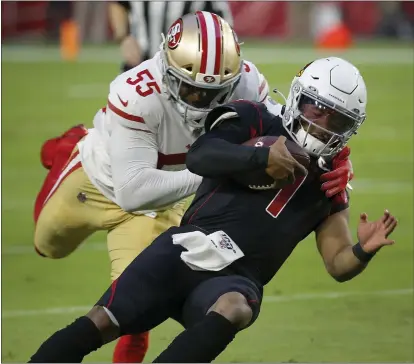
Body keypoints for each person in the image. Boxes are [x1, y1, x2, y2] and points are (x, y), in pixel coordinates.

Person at [29, 57, 397, 363]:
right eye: (319, 110)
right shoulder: (257, 118)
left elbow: (337, 263)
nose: (323, 125)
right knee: (101, 322)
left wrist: (364, 250)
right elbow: (200, 155)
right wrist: (259, 156)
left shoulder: (332, 182)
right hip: (185, 247)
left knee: (236, 308)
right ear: (300, 98)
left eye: (339, 121)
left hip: (237, 277)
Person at [33, 11, 273, 363]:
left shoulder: (248, 83)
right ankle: (67, 146)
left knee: (131, 305)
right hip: (98, 178)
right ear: (166, 67)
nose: (199, 101)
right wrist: (220, 169)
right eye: (189, 87)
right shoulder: (138, 92)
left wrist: (333, 162)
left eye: (212, 92)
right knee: (47, 245)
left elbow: (284, 132)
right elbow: (133, 190)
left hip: (159, 200)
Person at [109, 1, 233, 72]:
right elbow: (118, 4)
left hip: (185, 69)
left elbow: (220, 24)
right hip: (140, 63)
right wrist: (124, 37)